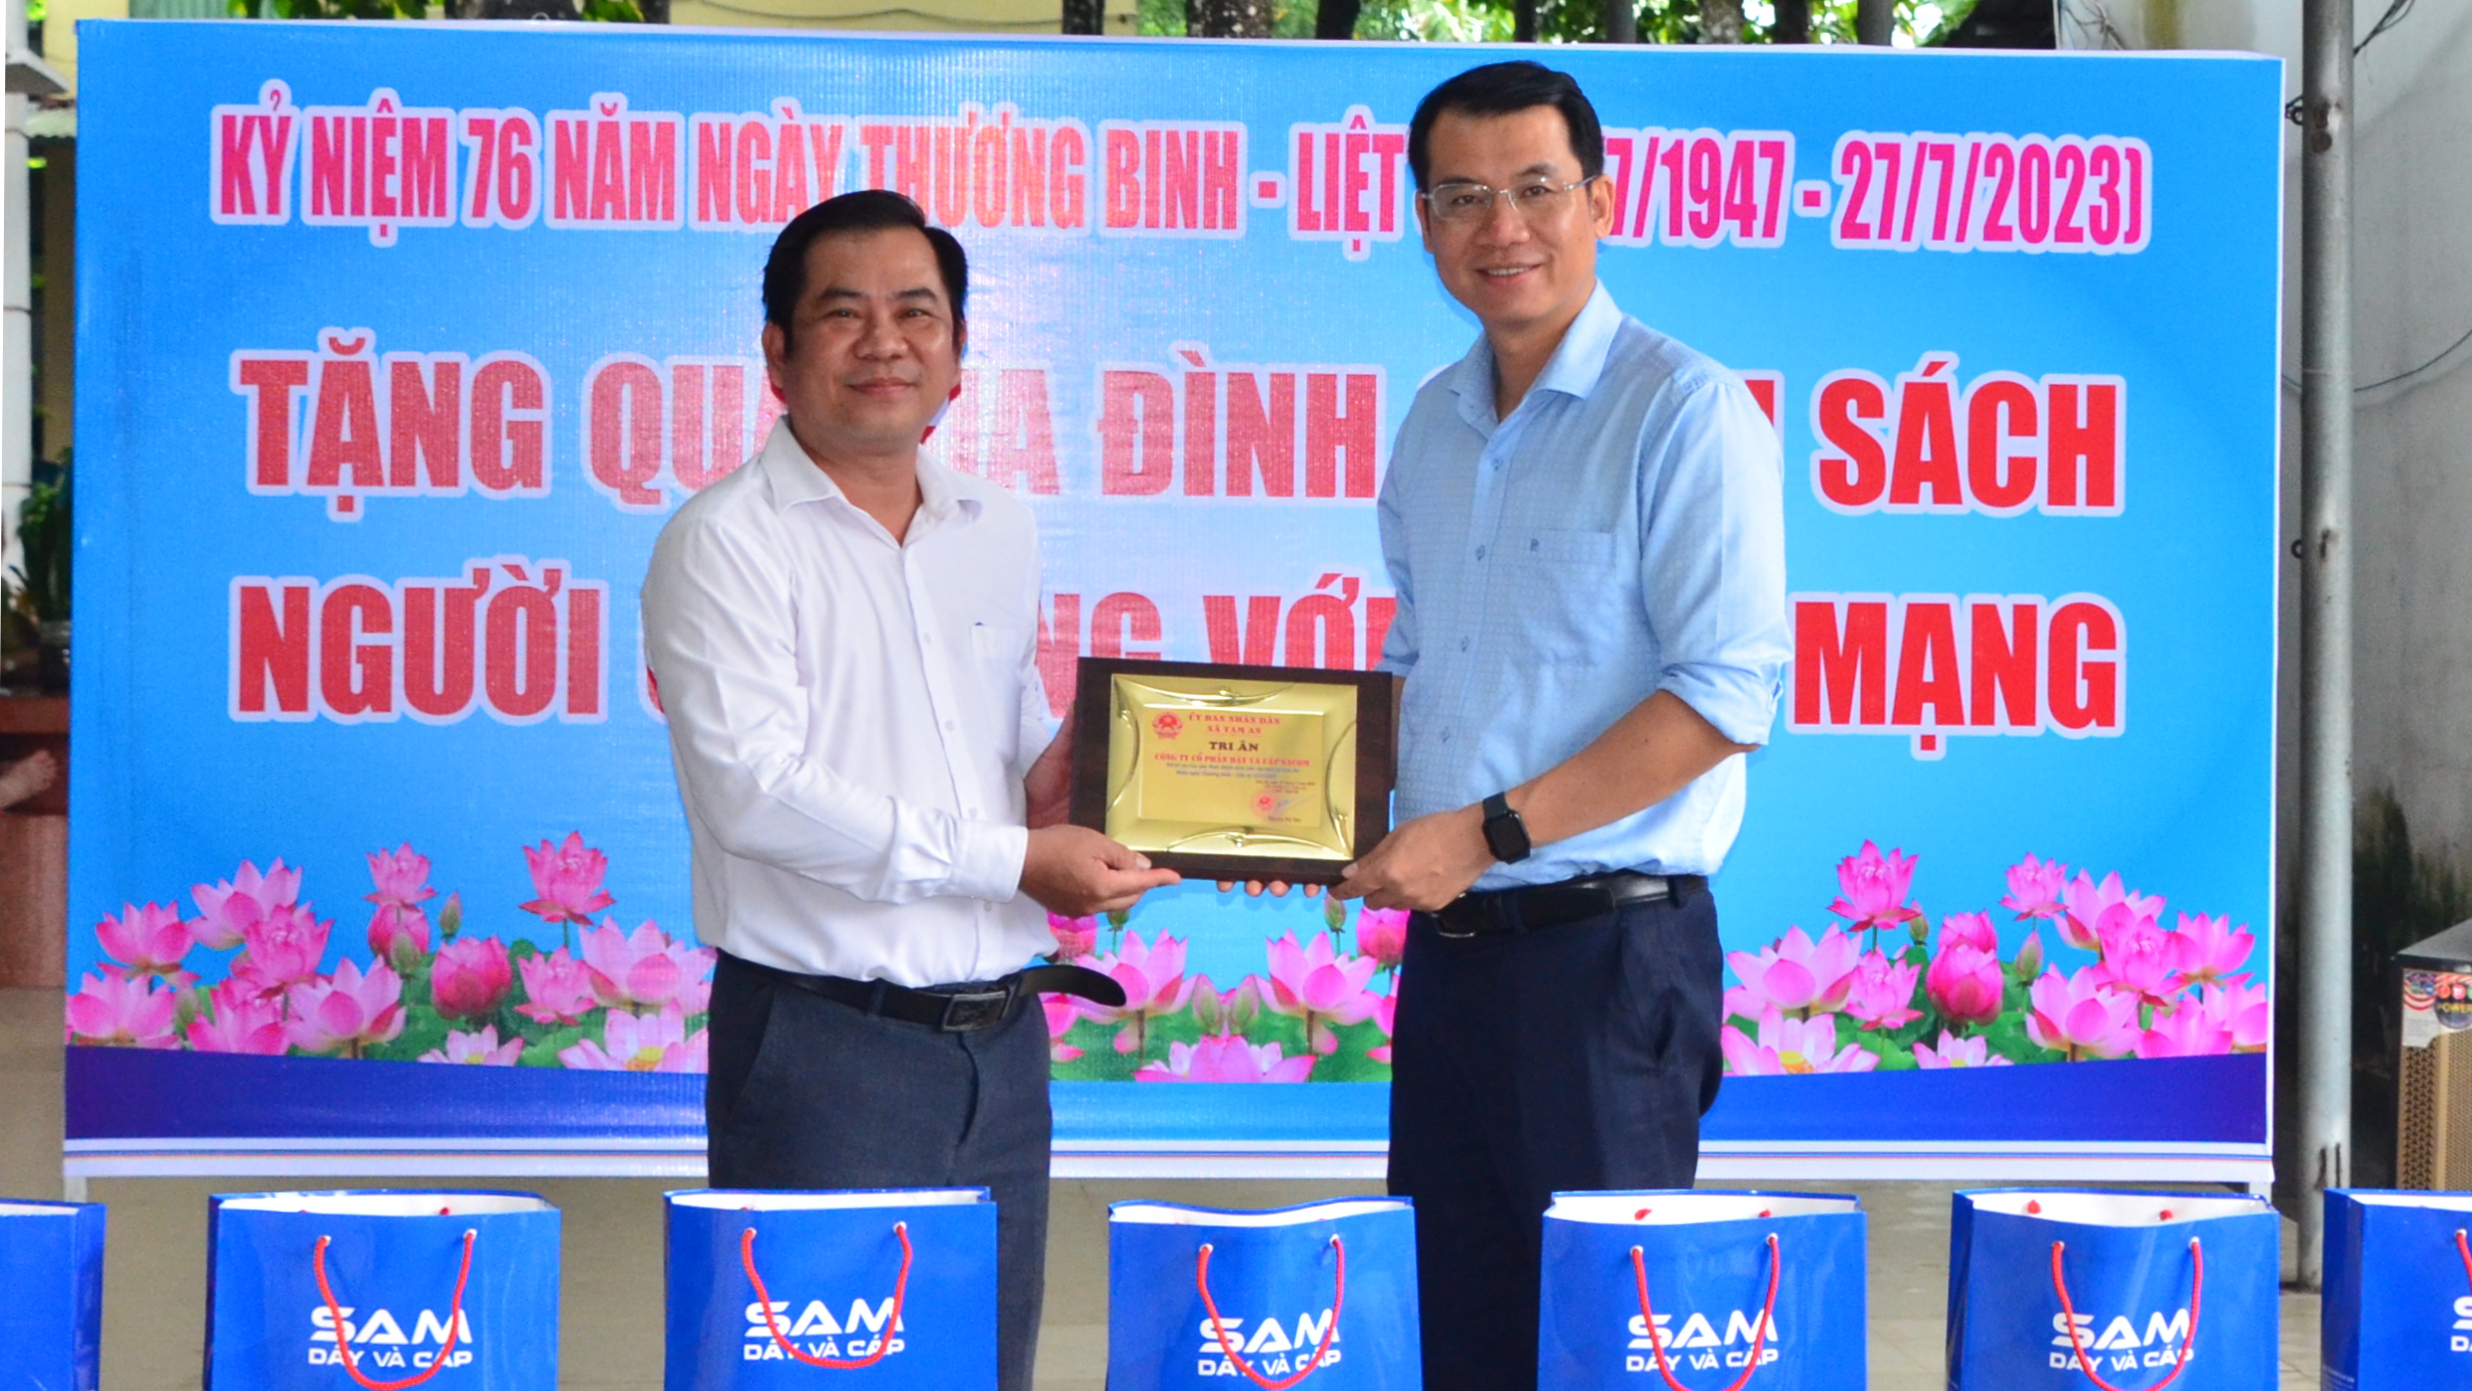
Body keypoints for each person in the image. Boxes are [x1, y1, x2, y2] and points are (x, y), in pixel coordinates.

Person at [641, 189, 1178, 1391]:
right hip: (828, 1048)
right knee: (821, 1377)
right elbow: (755, 793)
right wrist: (1015, 858)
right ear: (778, 352)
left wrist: (1078, 794)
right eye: (844, 312)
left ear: (959, 349)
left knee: (989, 1368)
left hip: (1001, 1049)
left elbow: (1003, 743)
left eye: (916, 312)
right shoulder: (724, 540)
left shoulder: (996, 523)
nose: (885, 342)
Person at [1334, 61, 1790, 1390]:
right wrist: (1308, 820)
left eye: (1536, 188)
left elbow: (1723, 697)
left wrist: (1480, 832)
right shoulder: (1434, 421)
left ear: (1601, 198)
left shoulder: (1684, 410)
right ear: (1424, 221)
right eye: (1463, 197)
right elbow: (1421, 662)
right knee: (1458, 1333)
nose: (1503, 227)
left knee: (1602, 1344)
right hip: (1456, 960)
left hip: (1608, 963)